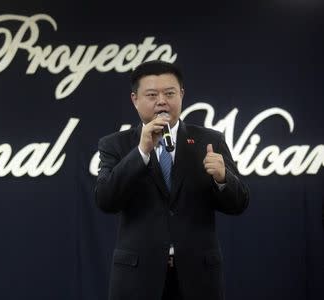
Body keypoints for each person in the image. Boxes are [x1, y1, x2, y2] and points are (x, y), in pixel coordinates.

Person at [95, 60, 249, 300]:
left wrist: (222, 178)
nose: (161, 101)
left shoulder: (209, 141)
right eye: (152, 94)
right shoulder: (115, 145)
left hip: (198, 277)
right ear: (135, 99)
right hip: (138, 277)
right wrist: (142, 152)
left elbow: (239, 204)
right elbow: (106, 200)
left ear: (182, 95)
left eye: (169, 93)